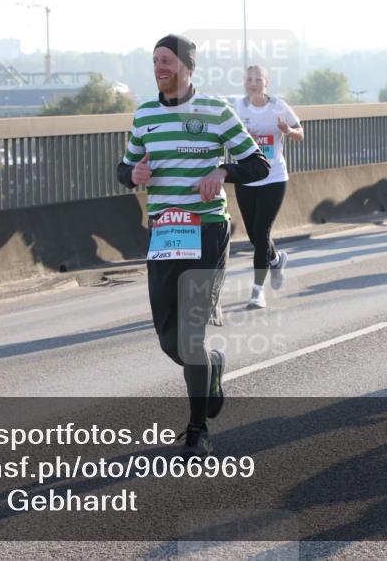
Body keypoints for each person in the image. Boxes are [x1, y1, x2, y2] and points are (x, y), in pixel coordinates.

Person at [117, 34, 269, 458]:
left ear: (186, 65)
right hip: (164, 234)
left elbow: (257, 163)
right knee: (170, 340)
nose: (159, 67)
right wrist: (134, 176)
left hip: (206, 231)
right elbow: (125, 167)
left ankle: (197, 429)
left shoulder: (217, 111)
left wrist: (223, 171)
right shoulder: (145, 113)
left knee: (190, 335)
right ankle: (212, 368)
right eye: (154, 61)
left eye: (166, 60)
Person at [233, 65, 303, 309]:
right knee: (254, 234)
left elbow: (300, 134)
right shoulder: (237, 108)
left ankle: (257, 291)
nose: (253, 83)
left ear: (266, 83)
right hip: (246, 176)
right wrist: (244, 138)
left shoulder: (278, 106)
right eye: (249, 79)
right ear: (244, 82)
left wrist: (288, 130)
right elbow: (227, 140)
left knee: (262, 231)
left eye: (258, 79)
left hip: (273, 176)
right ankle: (275, 259)